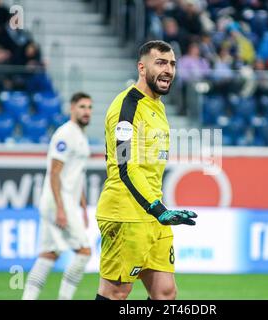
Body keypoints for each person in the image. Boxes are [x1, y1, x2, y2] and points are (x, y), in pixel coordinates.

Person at [95, 40, 197, 301]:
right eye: (160, 63)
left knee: (165, 292)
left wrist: (158, 210)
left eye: (172, 64)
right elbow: (126, 166)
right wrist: (158, 208)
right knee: (116, 292)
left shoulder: (158, 106)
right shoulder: (126, 107)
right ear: (142, 67)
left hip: (154, 214)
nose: (168, 70)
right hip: (127, 212)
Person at [22, 92, 93, 300]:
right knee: (84, 252)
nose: (86, 111)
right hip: (58, 202)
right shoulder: (65, 134)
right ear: (72, 108)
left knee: (48, 254)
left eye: (89, 107)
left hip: (65, 202)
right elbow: (54, 172)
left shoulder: (80, 135)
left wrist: (83, 206)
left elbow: (75, 174)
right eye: (82, 107)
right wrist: (61, 208)